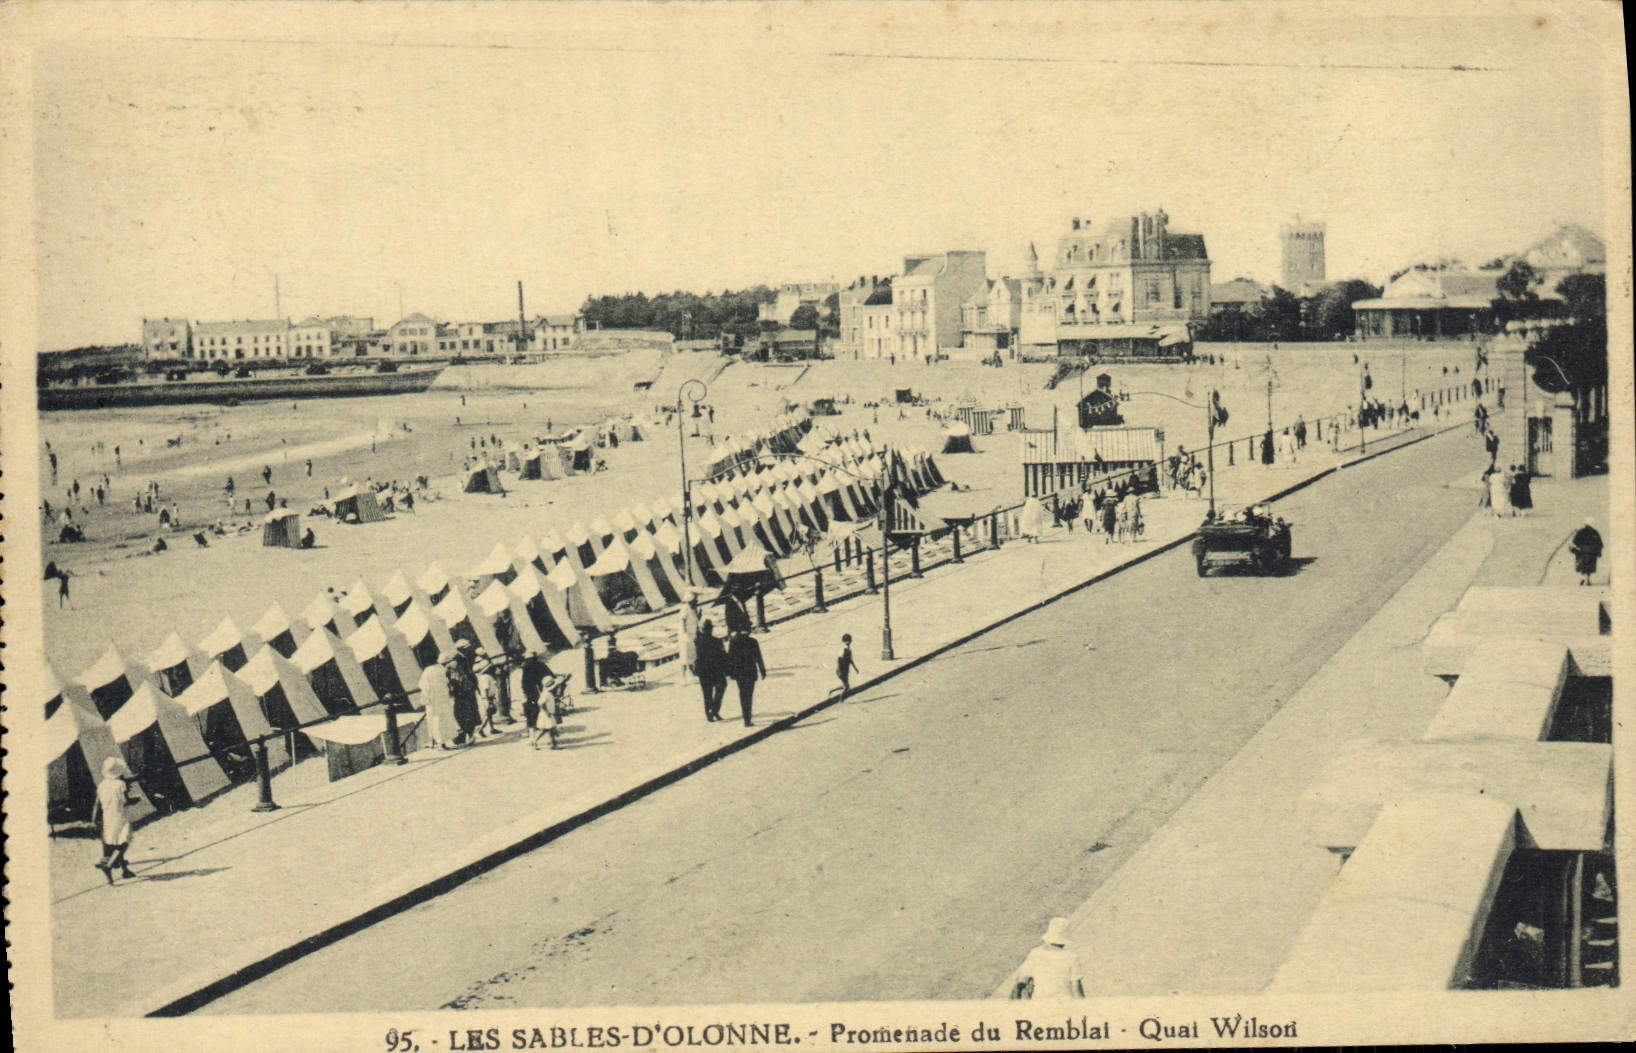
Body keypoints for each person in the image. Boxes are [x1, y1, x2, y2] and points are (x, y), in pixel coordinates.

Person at [1011, 917, 1084, 999]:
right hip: (1064, 1004)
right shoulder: (1071, 957)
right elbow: (1076, 990)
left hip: (1039, 1003)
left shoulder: (1035, 953)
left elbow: (1021, 981)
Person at [92, 757, 137, 883]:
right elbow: (125, 801)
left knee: (113, 842)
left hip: (107, 817)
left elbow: (98, 803)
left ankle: (124, 870)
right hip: (120, 816)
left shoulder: (101, 785)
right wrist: (135, 800)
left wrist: (94, 818)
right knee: (124, 841)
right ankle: (109, 865)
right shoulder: (120, 784)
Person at [518, 647, 559, 749]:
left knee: (531, 717)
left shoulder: (526, 668)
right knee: (548, 716)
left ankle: (532, 738)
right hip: (545, 692)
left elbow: (524, 684)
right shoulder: (541, 665)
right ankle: (551, 740)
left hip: (532, 695)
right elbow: (552, 677)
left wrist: (526, 696)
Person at [418, 652, 460, 749]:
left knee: (435, 720)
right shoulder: (441, 669)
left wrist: (425, 697)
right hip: (441, 698)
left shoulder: (428, 670)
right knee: (442, 719)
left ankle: (438, 742)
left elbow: (423, 685)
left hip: (434, 699)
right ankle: (442, 742)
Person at [726, 629, 766, 727]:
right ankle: (748, 719)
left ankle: (745, 718)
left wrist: (730, 673)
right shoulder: (753, 641)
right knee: (749, 695)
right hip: (750, 672)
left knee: (742, 694)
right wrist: (762, 670)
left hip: (739, 673)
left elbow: (730, 658)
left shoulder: (734, 642)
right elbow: (758, 657)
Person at [447, 641, 482, 744]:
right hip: (463, 690)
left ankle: (467, 735)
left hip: (465, 690)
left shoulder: (462, 658)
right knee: (463, 713)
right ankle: (466, 735)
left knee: (465, 713)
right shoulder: (458, 660)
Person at [694, 619, 728, 721]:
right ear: (711, 629)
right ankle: (715, 710)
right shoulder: (717, 641)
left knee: (706, 693)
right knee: (721, 688)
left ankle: (709, 713)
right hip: (716, 671)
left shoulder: (697, 641)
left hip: (703, 672)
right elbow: (723, 656)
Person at [1570, 518, 1604, 586]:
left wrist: (1577, 548)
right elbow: (1599, 543)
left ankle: (1583, 578)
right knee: (1590, 567)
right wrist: (1598, 552)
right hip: (1592, 553)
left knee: (1582, 566)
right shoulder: (1595, 532)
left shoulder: (1581, 531)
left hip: (1582, 552)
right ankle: (1588, 580)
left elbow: (1575, 542)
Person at [830, 633, 859, 700]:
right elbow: (839, 661)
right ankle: (841, 699)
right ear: (843, 642)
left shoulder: (849, 650)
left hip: (846, 670)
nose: (848, 642)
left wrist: (855, 669)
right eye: (846, 641)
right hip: (842, 670)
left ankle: (832, 690)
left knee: (845, 685)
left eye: (849, 641)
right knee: (846, 686)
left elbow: (850, 660)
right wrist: (839, 670)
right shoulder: (843, 650)